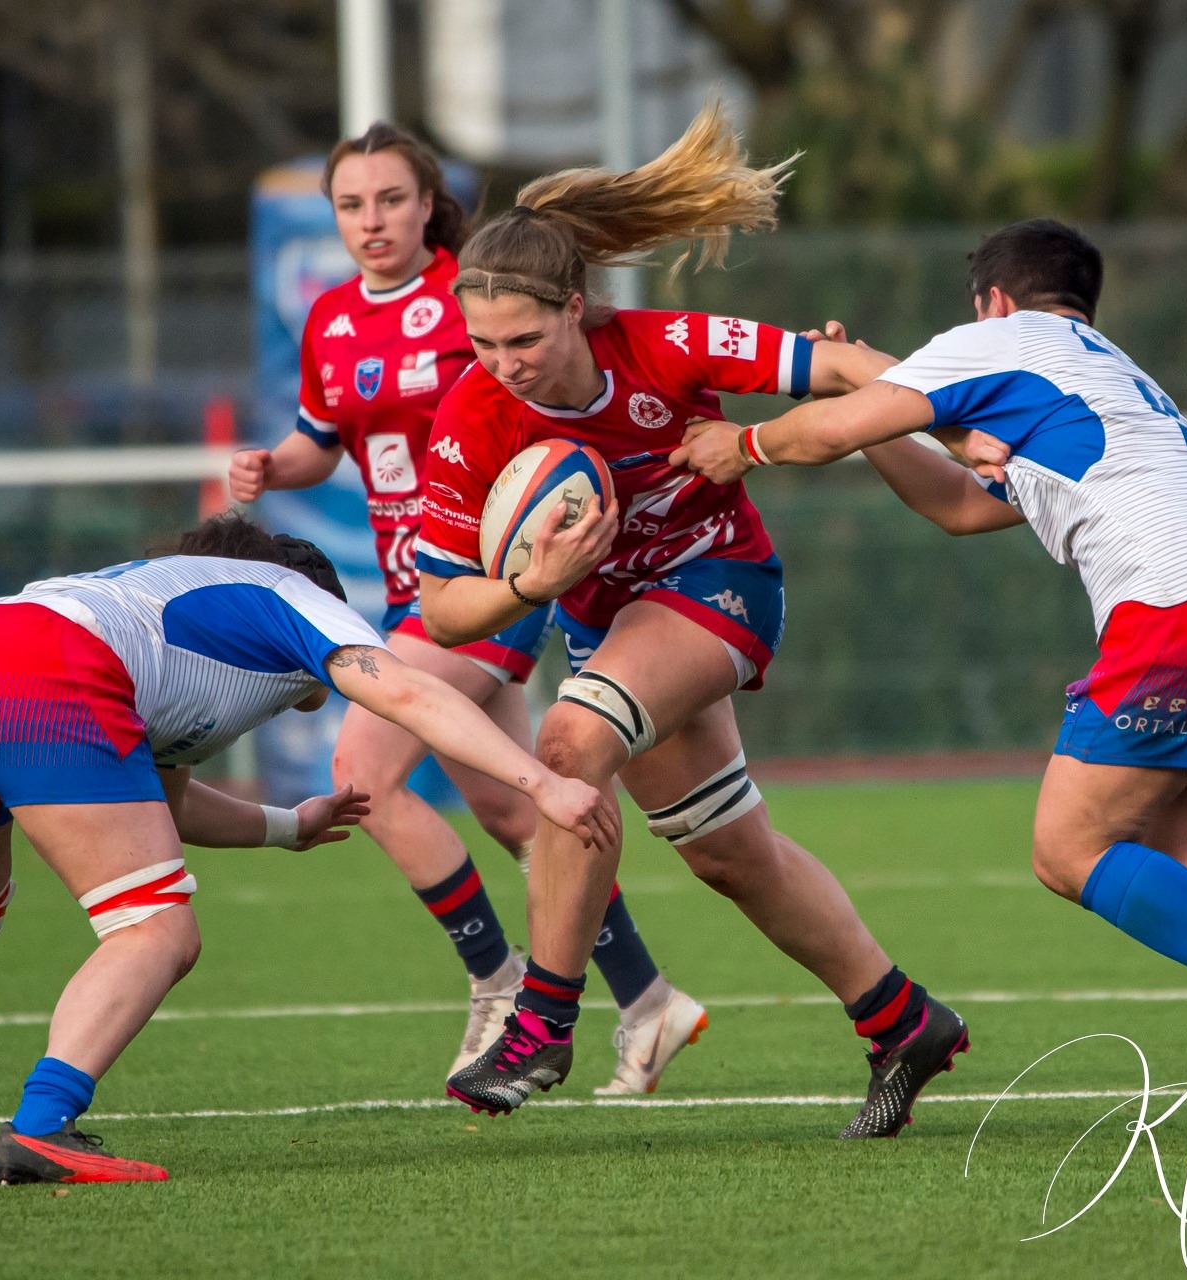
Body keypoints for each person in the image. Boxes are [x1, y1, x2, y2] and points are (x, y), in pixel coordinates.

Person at [672, 218, 1187, 1149]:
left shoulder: (999, 341)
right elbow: (959, 504)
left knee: (1066, 849)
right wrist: (867, 399)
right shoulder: (1099, 373)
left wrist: (745, 445)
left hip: (1181, 606)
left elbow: (833, 427)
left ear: (993, 301)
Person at [0, 514, 617, 1188]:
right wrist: (544, 784)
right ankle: (43, 1129)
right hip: (37, 672)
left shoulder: (158, 604)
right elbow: (410, 695)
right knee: (158, 930)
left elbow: (163, 800)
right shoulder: (286, 594)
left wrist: (286, 825)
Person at [414, 102, 973, 1138]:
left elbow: (848, 368)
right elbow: (446, 613)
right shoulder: (472, 416)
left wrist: (973, 426)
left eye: (524, 339)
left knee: (570, 737)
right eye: (481, 341)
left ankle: (542, 1020)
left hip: (720, 584)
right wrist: (532, 588)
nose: (503, 363)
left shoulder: (666, 344)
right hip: (607, 624)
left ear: (578, 309)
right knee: (726, 855)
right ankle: (904, 1021)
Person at [227, 122, 704, 1094]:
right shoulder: (327, 319)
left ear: (428, 203)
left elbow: (573, 383)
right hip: (419, 586)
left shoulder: (478, 296)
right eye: (351, 204)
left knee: (360, 768)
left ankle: (497, 980)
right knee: (516, 808)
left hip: (498, 587)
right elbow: (325, 438)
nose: (371, 221)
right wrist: (275, 464)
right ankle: (649, 1000)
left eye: (391, 199)